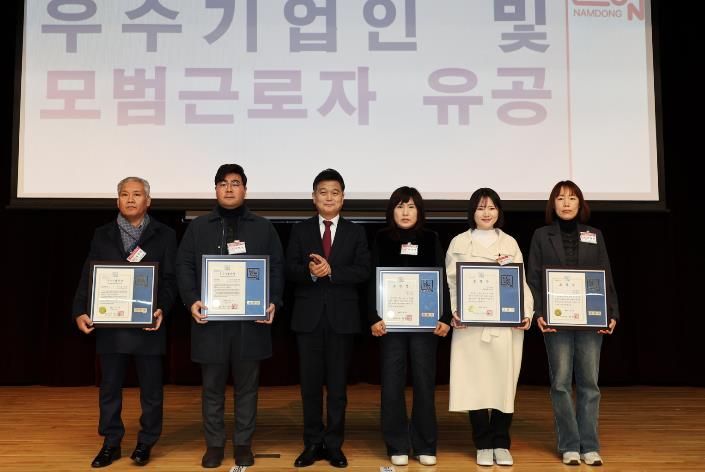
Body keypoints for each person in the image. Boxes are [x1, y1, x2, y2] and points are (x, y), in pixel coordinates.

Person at [176, 164, 284, 469]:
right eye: (223, 183)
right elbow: (184, 265)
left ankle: (243, 443)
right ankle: (214, 445)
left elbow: (276, 267)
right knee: (212, 388)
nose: (229, 188)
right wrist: (191, 301)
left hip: (250, 323)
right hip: (211, 323)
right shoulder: (199, 227)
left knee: (247, 389)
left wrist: (273, 301)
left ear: (245, 190)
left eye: (235, 183)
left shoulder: (263, 227)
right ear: (215, 190)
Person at [72, 176, 178, 468]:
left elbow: (171, 280)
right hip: (111, 326)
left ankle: (146, 442)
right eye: (124, 194)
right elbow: (88, 275)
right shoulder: (102, 234)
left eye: (137, 194)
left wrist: (161, 309)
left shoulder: (165, 235)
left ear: (148, 200)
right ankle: (111, 442)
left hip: (148, 325)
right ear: (117, 200)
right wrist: (79, 310)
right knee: (109, 388)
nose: (130, 199)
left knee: (152, 391)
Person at [527, 180, 618, 467]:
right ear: (552, 204)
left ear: (580, 203)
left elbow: (605, 275)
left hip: (590, 320)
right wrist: (538, 313)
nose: (566, 203)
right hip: (556, 321)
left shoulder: (594, 234)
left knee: (590, 384)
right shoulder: (541, 235)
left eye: (572, 198)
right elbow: (533, 279)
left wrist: (611, 313)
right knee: (561, 383)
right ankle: (569, 445)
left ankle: (589, 445)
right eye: (560, 198)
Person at [286, 169, 371, 468]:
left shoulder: (356, 232)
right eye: (323, 192)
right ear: (314, 197)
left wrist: (332, 271)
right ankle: (312, 443)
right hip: (307, 318)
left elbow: (363, 270)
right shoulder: (299, 230)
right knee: (309, 387)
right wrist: (310, 272)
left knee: (337, 388)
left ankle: (334, 445)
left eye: (335, 192)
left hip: (342, 319)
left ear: (343, 198)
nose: (329, 197)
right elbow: (289, 269)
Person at [445, 188, 533, 467]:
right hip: (470, 327)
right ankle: (482, 442)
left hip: (505, 327)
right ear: (472, 211)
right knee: (475, 383)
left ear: (499, 212)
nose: (486, 213)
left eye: (492, 208)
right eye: (481, 207)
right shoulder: (459, 242)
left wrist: (526, 313)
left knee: (503, 383)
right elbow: (451, 284)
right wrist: (455, 312)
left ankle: (501, 442)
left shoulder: (509, 243)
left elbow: (521, 282)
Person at [368, 186, 451, 467]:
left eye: (411, 206)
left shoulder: (431, 238)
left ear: (420, 211)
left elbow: (441, 279)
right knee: (392, 384)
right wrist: (373, 317)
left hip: (425, 326)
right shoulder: (381, 238)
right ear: (392, 211)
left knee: (425, 384)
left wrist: (444, 316)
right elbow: (371, 281)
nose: (405, 212)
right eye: (400, 206)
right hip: (390, 326)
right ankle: (397, 444)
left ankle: (425, 444)